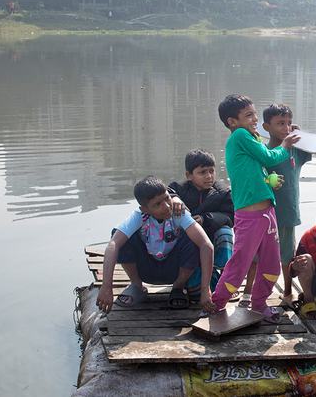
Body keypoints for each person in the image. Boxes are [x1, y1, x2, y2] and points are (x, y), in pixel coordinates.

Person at [208, 94, 300, 321]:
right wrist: (286, 145)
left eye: (255, 115)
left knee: (271, 265)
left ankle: (259, 304)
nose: (254, 120)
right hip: (250, 216)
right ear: (232, 122)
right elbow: (268, 157)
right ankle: (216, 304)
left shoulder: (250, 139)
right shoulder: (239, 136)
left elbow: (255, 169)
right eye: (248, 115)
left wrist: (269, 181)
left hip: (267, 214)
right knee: (240, 263)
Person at [96, 176, 215, 313]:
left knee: (192, 239)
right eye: (157, 204)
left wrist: (206, 290)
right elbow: (113, 244)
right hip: (147, 269)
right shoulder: (139, 216)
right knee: (119, 236)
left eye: (166, 198)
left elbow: (206, 245)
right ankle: (137, 286)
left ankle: (178, 288)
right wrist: (106, 286)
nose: (166, 206)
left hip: (175, 271)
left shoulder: (178, 213)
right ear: (145, 209)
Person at [263, 103, 316, 298]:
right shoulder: (263, 152)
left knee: (287, 254)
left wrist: (303, 137)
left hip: (288, 211)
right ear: (266, 127)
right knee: (262, 253)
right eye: (280, 123)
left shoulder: (295, 151)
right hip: (266, 211)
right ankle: (258, 291)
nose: (286, 128)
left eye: (289, 123)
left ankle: (288, 291)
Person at [169, 150, 235, 295]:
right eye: (202, 172)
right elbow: (166, 192)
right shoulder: (179, 189)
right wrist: (174, 198)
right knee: (195, 293)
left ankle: (226, 275)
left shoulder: (222, 191)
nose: (209, 176)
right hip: (190, 243)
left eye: (212, 171)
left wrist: (206, 219)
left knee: (225, 232)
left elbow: (230, 216)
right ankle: (207, 277)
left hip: (213, 238)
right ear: (189, 175)